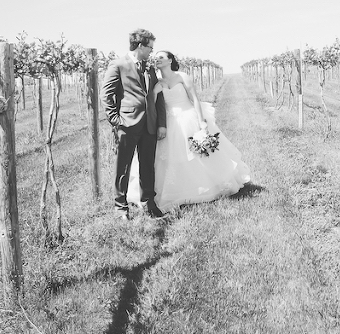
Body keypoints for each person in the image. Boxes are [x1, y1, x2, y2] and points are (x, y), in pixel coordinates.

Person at [128, 50, 250, 212]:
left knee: (198, 155)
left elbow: (194, 99)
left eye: (161, 57)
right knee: (171, 157)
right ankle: (175, 190)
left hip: (188, 117)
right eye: (156, 57)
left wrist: (202, 122)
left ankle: (206, 186)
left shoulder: (182, 76)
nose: (157, 59)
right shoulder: (157, 81)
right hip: (170, 122)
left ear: (170, 60)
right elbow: (152, 104)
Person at [101, 29, 167, 220]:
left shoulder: (150, 67)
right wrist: (116, 120)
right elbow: (106, 95)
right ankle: (121, 207)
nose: (151, 52)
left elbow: (158, 96)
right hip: (127, 124)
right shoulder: (118, 65)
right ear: (140, 46)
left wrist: (161, 123)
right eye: (150, 48)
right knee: (123, 166)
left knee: (148, 165)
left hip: (150, 124)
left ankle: (149, 204)